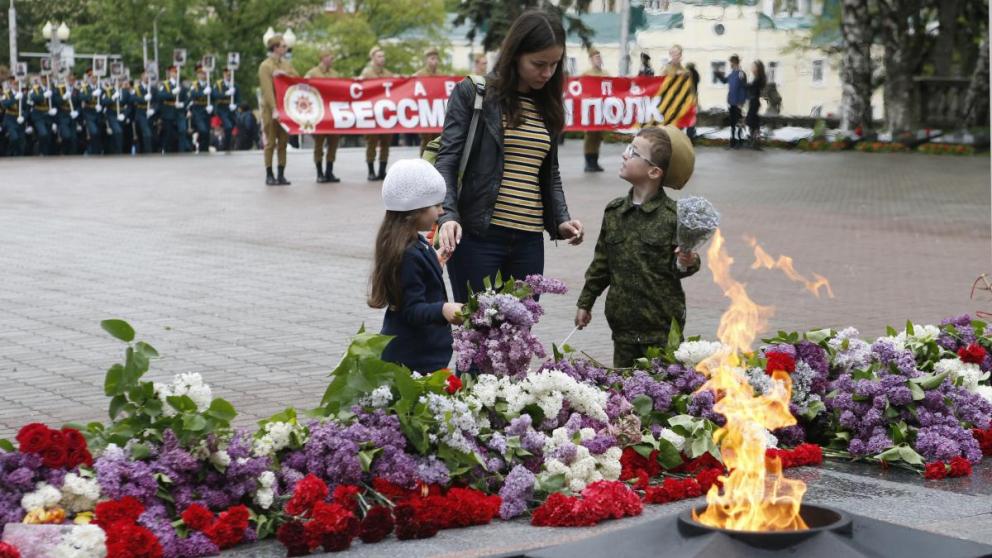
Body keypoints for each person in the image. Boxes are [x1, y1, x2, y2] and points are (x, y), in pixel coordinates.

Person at [435, 9, 585, 304]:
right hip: (479, 237)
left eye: (555, 64)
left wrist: (562, 220)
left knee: (518, 340)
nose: (547, 73)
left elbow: (548, 173)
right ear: (515, 54)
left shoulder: (548, 105)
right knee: (480, 336)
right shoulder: (474, 94)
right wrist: (448, 216)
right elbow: (447, 161)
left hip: (529, 240)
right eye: (539, 64)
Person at [574, 126, 700, 367]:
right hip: (623, 329)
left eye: (633, 152)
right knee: (625, 397)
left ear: (654, 172)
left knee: (664, 393)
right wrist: (585, 302)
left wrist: (689, 261)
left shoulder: (674, 217)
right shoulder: (614, 212)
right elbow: (601, 264)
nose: (624, 154)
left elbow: (684, 264)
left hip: (661, 329)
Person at [369, 158, 464, 372]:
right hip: (413, 358)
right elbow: (412, 309)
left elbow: (413, 282)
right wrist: (444, 309)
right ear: (415, 210)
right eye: (437, 205)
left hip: (421, 354)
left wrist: (433, 264)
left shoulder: (414, 243)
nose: (441, 212)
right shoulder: (408, 252)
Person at [258, 34, 298, 185]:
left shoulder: (286, 64)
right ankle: (269, 174)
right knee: (270, 143)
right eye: (283, 46)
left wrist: (284, 74)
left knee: (283, 142)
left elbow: (296, 78)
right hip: (271, 109)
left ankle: (281, 173)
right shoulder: (265, 66)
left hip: (285, 108)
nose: (285, 48)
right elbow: (267, 90)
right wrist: (274, 109)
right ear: (275, 48)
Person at [305, 50, 341, 183]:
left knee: (333, 143)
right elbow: (304, 87)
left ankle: (329, 171)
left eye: (331, 56)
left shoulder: (335, 74)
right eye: (328, 56)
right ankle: (319, 172)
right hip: (319, 114)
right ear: (322, 58)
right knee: (319, 144)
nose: (331, 59)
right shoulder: (312, 73)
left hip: (332, 113)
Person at [360, 46, 395, 181]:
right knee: (371, 143)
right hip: (372, 114)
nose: (382, 59)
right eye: (379, 56)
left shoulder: (388, 74)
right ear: (373, 58)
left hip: (386, 115)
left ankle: (382, 170)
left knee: (386, 143)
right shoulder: (367, 73)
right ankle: (371, 171)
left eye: (383, 56)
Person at [582, 48, 608, 173]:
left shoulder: (606, 74)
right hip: (590, 109)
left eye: (599, 57)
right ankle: (588, 162)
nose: (598, 60)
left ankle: (595, 161)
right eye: (596, 57)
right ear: (591, 60)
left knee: (598, 136)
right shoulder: (586, 74)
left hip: (602, 108)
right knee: (590, 135)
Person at [715, 54, 747, 148]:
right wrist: (718, 75)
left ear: (736, 62)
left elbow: (744, 88)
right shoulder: (732, 74)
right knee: (732, 123)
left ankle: (740, 141)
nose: (730, 64)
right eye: (730, 63)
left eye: (731, 62)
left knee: (739, 122)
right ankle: (732, 141)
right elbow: (725, 81)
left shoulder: (741, 74)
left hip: (738, 102)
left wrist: (741, 102)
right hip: (731, 101)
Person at [414, 47, 442, 156]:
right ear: (426, 60)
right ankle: (423, 164)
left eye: (436, 58)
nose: (435, 61)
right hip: (424, 112)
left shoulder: (441, 75)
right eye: (432, 58)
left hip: (437, 112)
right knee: (426, 141)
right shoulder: (419, 75)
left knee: (437, 141)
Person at [27, 75, 56, 155]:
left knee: (48, 137)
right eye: (43, 79)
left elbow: (57, 101)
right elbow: (33, 98)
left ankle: (45, 153)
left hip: (48, 115)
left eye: (47, 79)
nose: (46, 81)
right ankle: (40, 150)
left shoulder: (52, 89)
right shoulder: (35, 89)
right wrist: (43, 95)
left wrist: (54, 110)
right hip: (38, 115)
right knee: (43, 134)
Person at [214, 68, 241, 151]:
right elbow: (215, 95)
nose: (228, 76)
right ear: (223, 74)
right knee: (228, 126)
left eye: (229, 74)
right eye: (226, 74)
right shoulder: (218, 84)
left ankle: (227, 145)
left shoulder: (235, 85)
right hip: (222, 108)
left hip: (231, 109)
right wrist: (226, 93)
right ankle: (226, 147)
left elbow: (239, 100)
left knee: (232, 126)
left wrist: (235, 105)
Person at [188, 65, 213, 153]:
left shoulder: (209, 84)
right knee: (202, 130)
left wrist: (212, 106)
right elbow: (193, 94)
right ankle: (200, 147)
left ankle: (204, 150)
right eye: (201, 73)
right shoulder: (194, 85)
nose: (203, 75)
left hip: (206, 110)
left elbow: (214, 97)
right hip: (197, 110)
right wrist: (203, 93)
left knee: (207, 132)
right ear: (197, 75)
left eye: (204, 73)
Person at [80, 70, 104, 155]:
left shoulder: (100, 88)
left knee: (98, 133)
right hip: (89, 113)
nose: (94, 79)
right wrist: (92, 95)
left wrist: (101, 106)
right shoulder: (85, 87)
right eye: (92, 77)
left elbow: (104, 99)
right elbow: (81, 97)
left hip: (98, 113)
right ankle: (93, 151)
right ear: (89, 78)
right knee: (93, 132)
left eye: (96, 78)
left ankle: (96, 151)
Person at [56, 73, 81, 155]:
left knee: (74, 138)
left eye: (73, 80)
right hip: (63, 115)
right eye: (70, 80)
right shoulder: (61, 89)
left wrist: (77, 112)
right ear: (66, 80)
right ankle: (63, 150)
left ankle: (71, 155)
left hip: (72, 116)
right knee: (67, 136)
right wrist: (63, 98)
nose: (71, 81)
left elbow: (79, 104)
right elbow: (55, 102)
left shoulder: (77, 91)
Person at [1, 76, 26, 156]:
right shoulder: (6, 94)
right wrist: (15, 98)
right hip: (10, 119)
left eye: (18, 84)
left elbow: (27, 108)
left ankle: (17, 154)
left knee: (20, 139)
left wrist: (23, 117)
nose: (16, 86)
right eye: (14, 84)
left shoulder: (23, 95)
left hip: (19, 119)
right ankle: (10, 152)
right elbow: (4, 104)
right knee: (14, 137)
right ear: (11, 85)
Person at [100, 77, 126, 154]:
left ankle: (116, 150)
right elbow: (103, 102)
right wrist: (112, 98)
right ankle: (118, 152)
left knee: (120, 134)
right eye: (118, 81)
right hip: (112, 115)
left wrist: (124, 114)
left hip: (122, 115)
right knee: (118, 131)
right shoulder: (109, 91)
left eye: (121, 81)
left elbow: (129, 105)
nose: (119, 82)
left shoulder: (125, 91)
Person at [132, 72, 156, 154]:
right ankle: (148, 153)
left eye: (148, 77)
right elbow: (132, 99)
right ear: (141, 77)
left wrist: (153, 109)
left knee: (150, 134)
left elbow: (158, 101)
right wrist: (143, 98)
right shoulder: (136, 88)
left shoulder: (153, 88)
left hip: (150, 113)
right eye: (146, 77)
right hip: (141, 113)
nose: (147, 79)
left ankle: (146, 151)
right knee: (146, 133)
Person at [746, 60, 767, 150]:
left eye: (753, 66)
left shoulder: (758, 79)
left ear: (757, 68)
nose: (752, 68)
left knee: (752, 121)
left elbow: (752, 88)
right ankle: (755, 141)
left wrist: (745, 85)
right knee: (753, 121)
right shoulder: (757, 78)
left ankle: (755, 141)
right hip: (754, 101)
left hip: (754, 102)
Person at [684, 62, 701, 141]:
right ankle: (692, 135)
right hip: (694, 97)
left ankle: (689, 136)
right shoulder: (696, 75)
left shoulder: (688, 75)